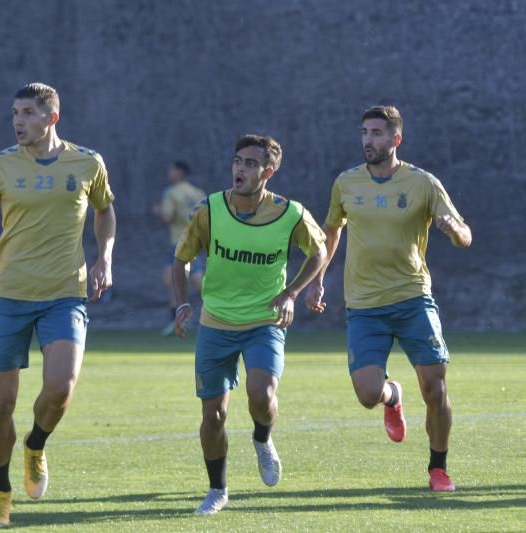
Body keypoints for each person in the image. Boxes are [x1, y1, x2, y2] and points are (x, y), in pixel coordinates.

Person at [0, 82, 116, 526]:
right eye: (14, 113)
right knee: (1, 401)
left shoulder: (88, 163)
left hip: (65, 293)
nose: (18, 121)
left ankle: (37, 443)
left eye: (27, 113)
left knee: (61, 388)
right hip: (8, 295)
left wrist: (104, 257)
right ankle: (0, 490)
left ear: (52, 118)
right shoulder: (0, 166)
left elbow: (105, 211)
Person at [305, 105, 472, 492]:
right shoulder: (346, 183)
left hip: (413, 298)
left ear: (396, 139)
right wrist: (318, 279)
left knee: (435, 387)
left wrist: (453, 231)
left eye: (378, 133)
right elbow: (331, 233)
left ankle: (438, 468)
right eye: (365, 132)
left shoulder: (423, 183)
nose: (369, 140)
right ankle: (392, 395)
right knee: (367, 395)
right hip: (364, 306)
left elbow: (465, 233)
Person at [173, 134, 327, 515]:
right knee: (214, 415)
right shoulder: (209, 209)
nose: (240, 168)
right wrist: (181, 304)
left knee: (261, 394)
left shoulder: (290, 213)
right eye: (238, 160)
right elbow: (182, 260)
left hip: (264, 321)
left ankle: (262, 439)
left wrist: (291, 293)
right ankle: (217, 490)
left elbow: (319, 251)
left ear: (268, 172)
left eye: (251, 164)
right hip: (215, 323)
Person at [153, 160, 206, 335]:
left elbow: (167, 217)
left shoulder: (171, 193)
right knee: (173, 277)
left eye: (171, 170)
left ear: (178, 172)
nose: (169, 172)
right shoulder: (198, 193)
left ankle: (212, 312)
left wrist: (158, 210)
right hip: (195, 241)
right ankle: (178, 319)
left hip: (179, 242)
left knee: (181, 279)